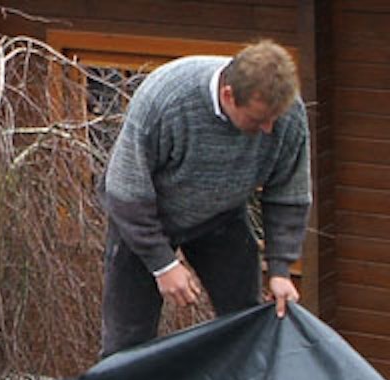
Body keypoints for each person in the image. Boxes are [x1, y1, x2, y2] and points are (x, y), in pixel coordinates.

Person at [100, 40, 311, 357]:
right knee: (127, 341)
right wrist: (162, 264)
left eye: (274, 119)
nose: (268, 129)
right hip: (146, 219)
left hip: (222, 216)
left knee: (245, 317)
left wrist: (280, 270)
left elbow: (288, 194)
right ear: (228, 95)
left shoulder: (288, 113)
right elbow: (126, 193)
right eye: (257, 120)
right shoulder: (166, 98)